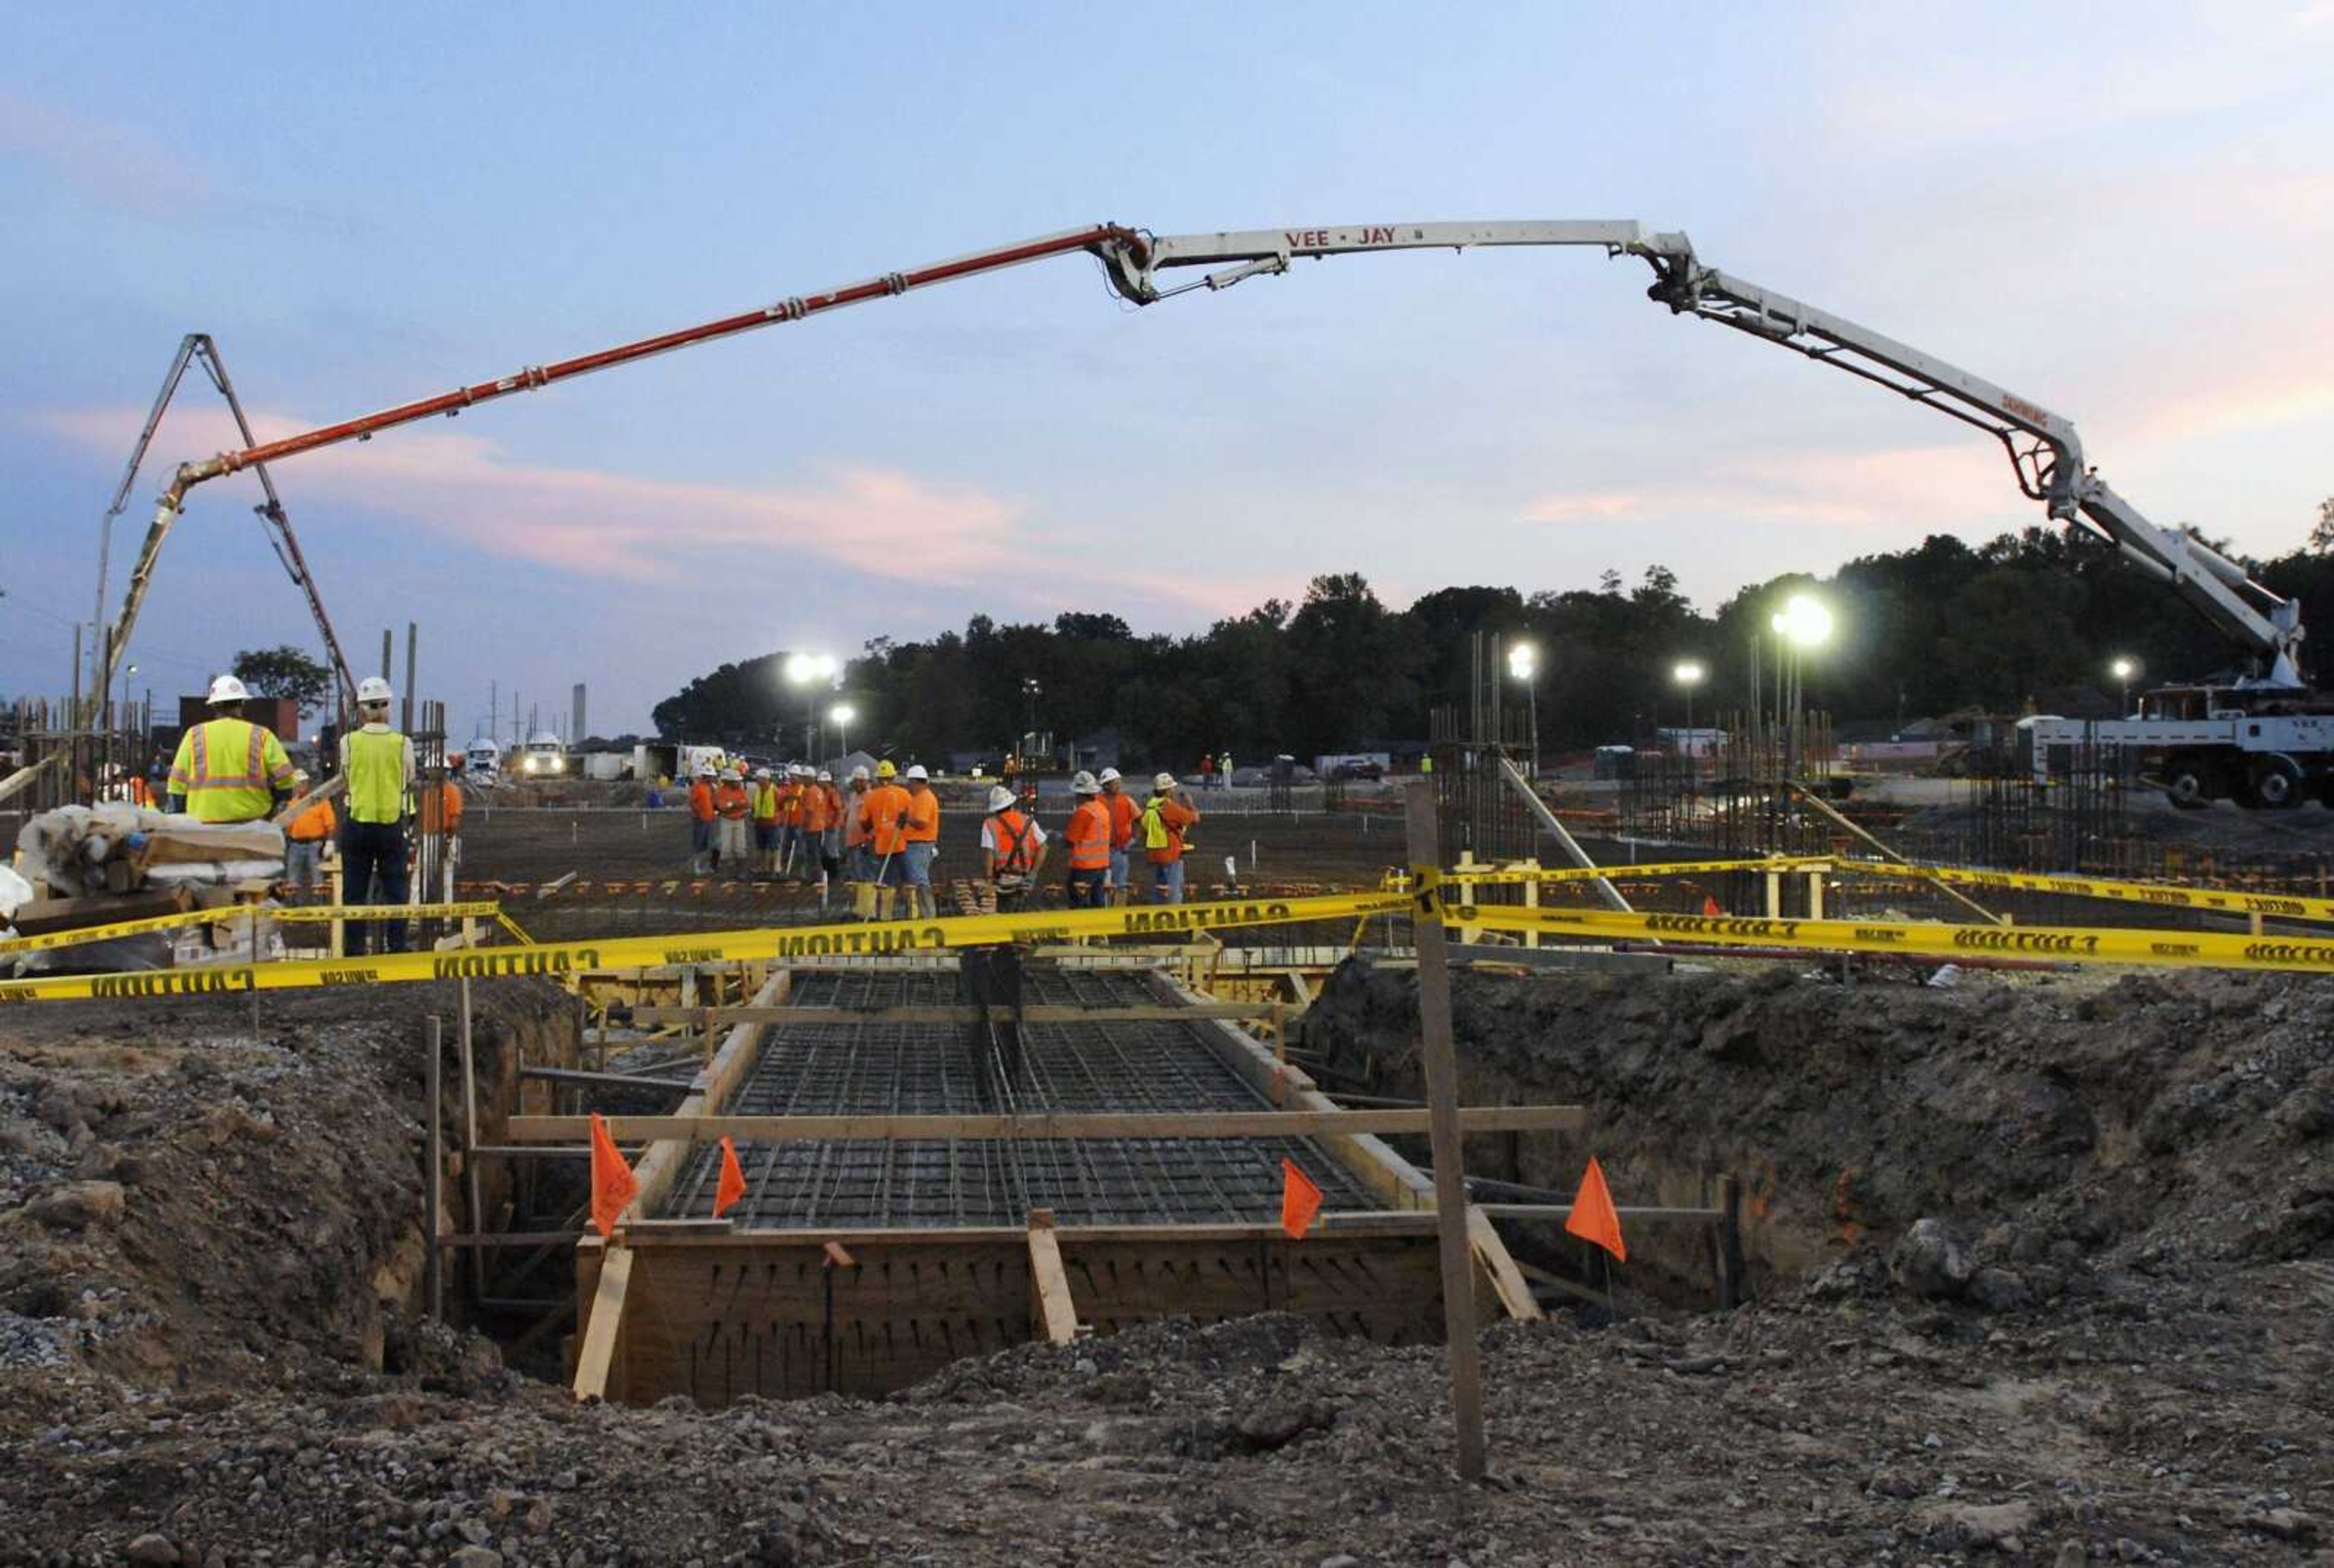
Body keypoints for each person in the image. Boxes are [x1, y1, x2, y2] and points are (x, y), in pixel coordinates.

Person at [339, 675, 417, 955]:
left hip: (358, 825)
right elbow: (409, 778)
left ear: (361, 709)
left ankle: (354, 950)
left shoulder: (348, 742)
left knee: (354, 893)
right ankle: (395, 946)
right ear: (388, 707)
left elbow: (346, 777)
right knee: (396, 891)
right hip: (390, 826)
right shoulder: (401, 744)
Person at [166, 673, 298, 822]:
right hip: (252, 827)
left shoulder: (195, 735)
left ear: (214, 705)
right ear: (242, 703)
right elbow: (286, 779)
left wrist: (177, 819)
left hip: (203, 829)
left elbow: (176, 785)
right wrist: (275, 804)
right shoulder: (262, 736)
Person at [980, 783, 1048, 912]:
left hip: (1004, 880)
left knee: (1006, 921)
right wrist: (1033, 874)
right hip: (1025, 878)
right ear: (1012, 804)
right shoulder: (1028, 820)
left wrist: (989, 880)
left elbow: (989, 853)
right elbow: (1044, 847)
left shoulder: (990, 824)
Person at [1137, 771, 1200, 904]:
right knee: (1173, 893)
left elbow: (1143, 833)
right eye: (1172, 788)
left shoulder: (1150, 807)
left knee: (1158, 892)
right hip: (1170, 855)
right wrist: (1190, 804)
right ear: (1167, 790)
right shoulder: (1168, 806)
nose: (1174, 790)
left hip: (1154, 855)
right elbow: (1194, 819)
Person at [859, 760, 912, 918]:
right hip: (903, 843)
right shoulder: (904, 794)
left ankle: (886, 916)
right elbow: (912, 815)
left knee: (886, 882)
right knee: (909, 880)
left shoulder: (871, 796)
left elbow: (863, 820)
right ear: (894, 776)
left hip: (882, 845)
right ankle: (913, 914)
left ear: (877, 778)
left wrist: (870, 831)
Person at [416, 754, 467, 899]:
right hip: (428, 837)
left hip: (443, 836)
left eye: (430, 769)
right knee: (421, 876)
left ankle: (446, 917)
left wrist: (448, 841)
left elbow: (455, 820)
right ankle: (417, 914)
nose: (428, 772)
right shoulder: (427, 791)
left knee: (445, 878)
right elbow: (422, 817)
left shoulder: (452, 791)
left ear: (441, 770)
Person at [282, 771, 336, 901]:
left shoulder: (320, 801)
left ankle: (320, 911)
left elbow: (331, 824)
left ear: (308, 784)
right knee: (292, 881)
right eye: (297, 784)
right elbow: (287, 826)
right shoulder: (292, 804)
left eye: (302, 783)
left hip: (315, 844)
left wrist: (330, 842)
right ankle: (292, 911)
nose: (300, 786)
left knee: (318, 880)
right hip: (295, 845)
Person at [1061, 770, 1110, 908]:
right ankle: (1098, 928)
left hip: (1084, 867)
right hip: (1102, 865)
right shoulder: (1102, 809)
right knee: (1098, 901)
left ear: (1079, 794)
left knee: (1078, 901)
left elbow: (1070, 840)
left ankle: (1083, 928)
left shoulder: (1084, 812)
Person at [900, 763, 941, 919]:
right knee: (916, 881)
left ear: (917, 782)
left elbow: (922, 823)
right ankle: (920, 915)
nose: (908, 785)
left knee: (920, 882)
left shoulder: (925, 798)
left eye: (909, 782)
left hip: (920, 845)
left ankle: (928, 916)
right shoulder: (917, 798)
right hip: (915, 845)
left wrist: (907, 819)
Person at [1096, 767, 1141, 905]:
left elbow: (1140, 819)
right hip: (1100, 851)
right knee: (1100, 886)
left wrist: (1134, 839)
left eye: (1118, 782)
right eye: (1115, 782)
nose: (1118, 785)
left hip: (1120, 850)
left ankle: (1118, 912)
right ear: (1106, 785)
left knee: (1121, 885)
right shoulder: (1096, 801)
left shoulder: (1127, 801)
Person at [840, 765, 875, 909]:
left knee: (865, 875)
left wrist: (870, 838)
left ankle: (867, 909)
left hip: (863, 842)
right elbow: (847, 814)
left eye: (862, 781)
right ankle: (858, 906)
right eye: (857, 781)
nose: (859, 784)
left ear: (867, 782)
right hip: (851, 842)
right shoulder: (853, 796)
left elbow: (873, 820)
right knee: (855, 876)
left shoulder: (870, 797)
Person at [713, 765, 751, 872]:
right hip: (727, 821)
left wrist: (733, 805)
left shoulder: (740, 790)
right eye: (736, 781)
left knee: (741, 846)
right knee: (726, 847)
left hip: (739, 820)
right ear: (729, 782)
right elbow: (722, 808)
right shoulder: (721, 792)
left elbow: (746, 804)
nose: (739, 783)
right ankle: (726, 869)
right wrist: (736, 805)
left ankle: (741, 870)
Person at [687, 763, 717, 873]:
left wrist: (713, 814)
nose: (713, 778)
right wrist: (700, 813)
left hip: (709, 819)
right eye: (711, 776)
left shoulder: (710, 788)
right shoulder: (697, 788)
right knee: (699, 843)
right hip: (700, 820)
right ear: (705, 776)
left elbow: (713, 803)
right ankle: (696, 866)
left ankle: (705, 866)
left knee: (708, 843)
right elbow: (692, 802)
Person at [749, 767, 780, 873]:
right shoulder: (757, 791)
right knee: (760, 846)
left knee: (773, 846)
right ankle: (761, 867)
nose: (758, 781)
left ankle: (775, 867)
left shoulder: (775, 790)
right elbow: (754, 805)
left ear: (766, 779)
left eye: (759, 779)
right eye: (757, 779)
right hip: (759, 822)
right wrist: (752, 815)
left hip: (772, 823)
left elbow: (780, 805)